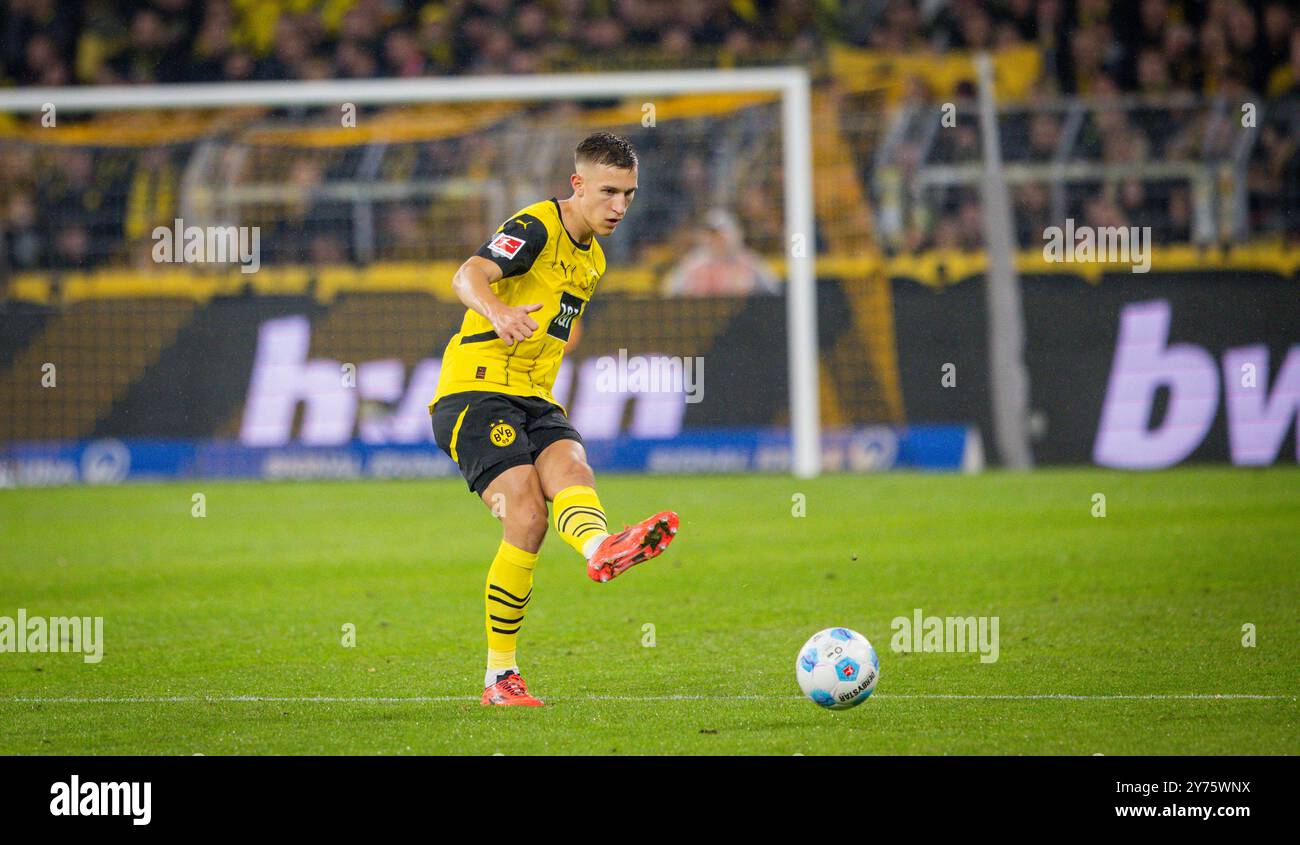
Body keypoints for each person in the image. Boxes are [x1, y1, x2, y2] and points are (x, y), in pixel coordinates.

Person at [428, 132, 679, 707]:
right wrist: (498, 310)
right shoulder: (537, 226)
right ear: (578, 185)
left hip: (534, 397)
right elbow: (466, 273)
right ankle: (499, 678)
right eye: (608, 191)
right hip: (474, 391)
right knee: (527, 513)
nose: (619, 206)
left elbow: (562, 323)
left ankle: (601, 551)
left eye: (629, 195)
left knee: (571, 467)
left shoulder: (593, 259)